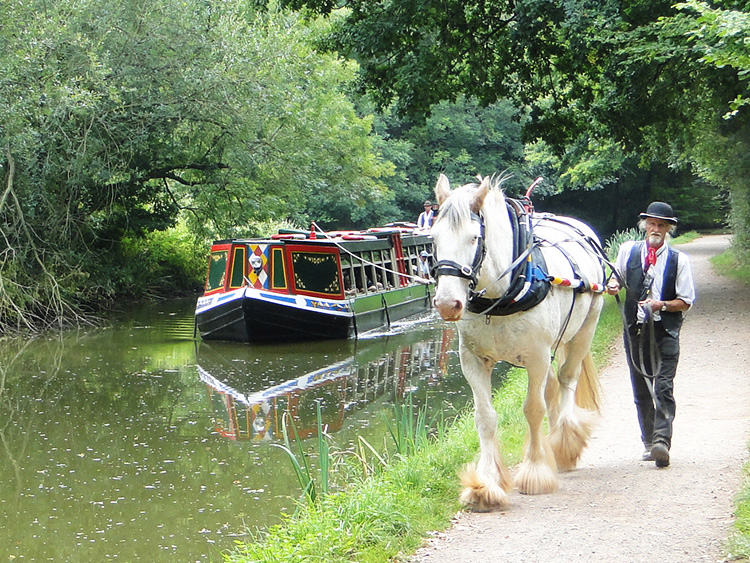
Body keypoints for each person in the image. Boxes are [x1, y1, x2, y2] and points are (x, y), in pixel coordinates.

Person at [606, 202, 696, 468]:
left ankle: (662, 443)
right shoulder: (627, 251)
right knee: (641, 389)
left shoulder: (680, 260)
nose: (655, 229)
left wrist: (662, 305)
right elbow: (616, 278)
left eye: (661, 225)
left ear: (669, 229)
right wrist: (613, 285)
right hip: (635, 330)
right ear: (645, 225)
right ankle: (649, 442)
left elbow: (686, 301)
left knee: (663, 387)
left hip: (665, 329)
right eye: (652, 224)